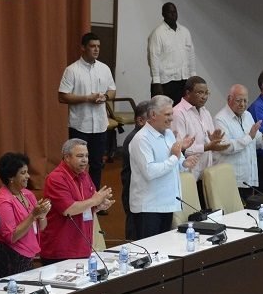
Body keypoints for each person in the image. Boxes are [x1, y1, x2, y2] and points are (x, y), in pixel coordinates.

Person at [129, 95, 199, 239]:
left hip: (167, 203)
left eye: (172, 114)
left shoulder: (168, 134)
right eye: (167, 114)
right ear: (153, 115)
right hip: (149, 208)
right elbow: (150, 171)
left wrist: (184, 163)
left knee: (164, 252)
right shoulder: (141, 139)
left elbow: (174, 164)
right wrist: (175, 157)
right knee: (149, 254)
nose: (171, 118)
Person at [40, 139, 115, 265]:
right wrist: (94, 200)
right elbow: (68, 210)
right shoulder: (56, 178)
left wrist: (98, 206)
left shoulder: (84, 175)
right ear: (67, 157)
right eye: (80, 156)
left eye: (86, 156)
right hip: (61, 251)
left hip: (82, 247)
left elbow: (87, 205)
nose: (85, 160)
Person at [58, 32, 116, 192]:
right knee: (77, 164)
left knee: (97, 163)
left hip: (100, 124)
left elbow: (112, 90)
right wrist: (86, 98)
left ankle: (95, 199)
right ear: (83, 48)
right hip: (79, 125)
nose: (96, 50)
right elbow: (62, 96)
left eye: (98, 46)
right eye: (92, 46)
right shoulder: (72, 70)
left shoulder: (104, 69)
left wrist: (105, 96)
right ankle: (76, 196)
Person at [0, 152, 52, 281]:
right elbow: (11, 236)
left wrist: (42, 215)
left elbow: (42, 227)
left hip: (27, 255)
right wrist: (33, 215)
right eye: (23, 173)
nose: (28, 176)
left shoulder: (27, 194)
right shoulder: (1, 200)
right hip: (8, 257)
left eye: (27, 172)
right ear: (11, 177)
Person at [172, 76, 230, 208]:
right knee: (193, 216)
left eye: (206, 93)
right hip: (189, 175)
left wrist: (215, 143)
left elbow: (209, 142)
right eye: (200, 92)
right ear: (187, 93)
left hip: (206, 174)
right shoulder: (178, 113)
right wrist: (206, 146)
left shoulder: (205, 112)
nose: (204, 97)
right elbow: (180, 148)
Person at [213, 84, 263, 200]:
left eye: (245, 101)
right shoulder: (220, 119)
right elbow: (225, 147)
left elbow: (254, 141)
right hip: (231, 180)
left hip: (248, 178)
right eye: (238, 101)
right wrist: (249, 137)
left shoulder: (248, 115)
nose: (242, 104)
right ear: (229, 99)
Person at [147, 2, 196, 105]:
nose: (173, 14)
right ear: (163, 14)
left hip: (184, 81)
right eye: (169, 12)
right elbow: (153, 57)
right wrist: (156, 81)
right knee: (165, 114)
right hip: (165, 82)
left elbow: (191, 55)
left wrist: (193, 77)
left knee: (182, 114)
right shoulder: (158, 33)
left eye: (175, 12)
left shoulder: (185, 32)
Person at [120, 100, 150, 240]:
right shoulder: (135, 139)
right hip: (134, 191)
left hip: (143, 192)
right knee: (136, 234)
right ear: (140, 120)